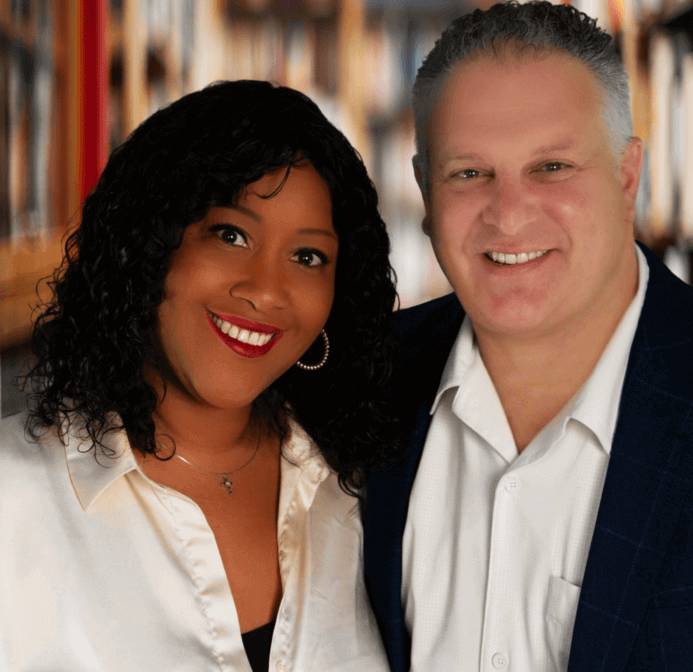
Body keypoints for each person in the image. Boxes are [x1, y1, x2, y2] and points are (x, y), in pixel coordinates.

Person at [364, 0, 693, 672]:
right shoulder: (361, 380)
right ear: (425, 196)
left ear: (627, 175)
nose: (510, 215)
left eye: (552, 167)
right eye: (469, 172)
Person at [0, 80, 398, 671]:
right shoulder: (14, 494)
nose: (265, 289)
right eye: (230, 234)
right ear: (150, 244)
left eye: (308, 256)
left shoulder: (359, 494)